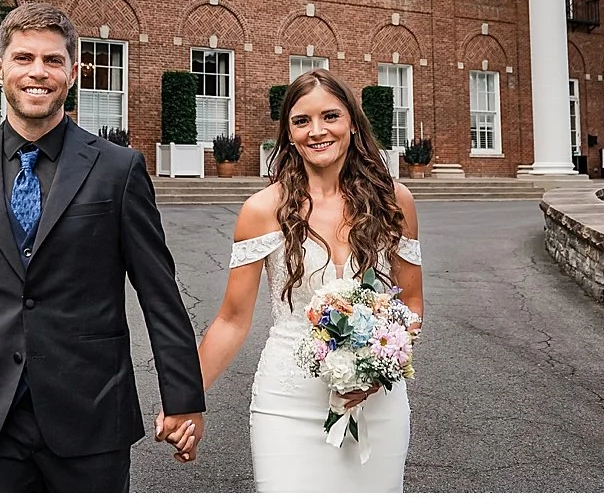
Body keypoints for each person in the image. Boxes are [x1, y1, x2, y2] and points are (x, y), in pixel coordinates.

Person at [0, 2, 205, 492]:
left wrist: (183, 398)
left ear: (73, 72)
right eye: (24, 57)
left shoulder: (119, 170)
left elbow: (160, 294)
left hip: (90, 418)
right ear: (0, 67)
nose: (38, 72)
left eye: (53, 60)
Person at [164, 70, 422, 492]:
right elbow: (231, 320)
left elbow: (410, 302)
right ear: (288, 131)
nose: (317, 131)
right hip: (288, 400)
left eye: (330, 116)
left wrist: (384, 366)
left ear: (352, 122)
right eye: (301, 121)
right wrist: (185, 400)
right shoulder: (262, 210)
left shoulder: (394, 202)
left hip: (378, 404)